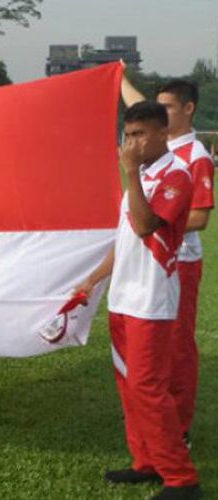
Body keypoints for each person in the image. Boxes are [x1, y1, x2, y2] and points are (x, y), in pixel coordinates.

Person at [75, 101, 200, 499]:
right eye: (128, 135)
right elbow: (125, 239)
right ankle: (146, 461)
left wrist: (129, 171)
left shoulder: (176, 176)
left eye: (141, 134)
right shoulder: (142, 175)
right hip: (123, 297)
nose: (132, 143)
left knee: (148, 386)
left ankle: (181, 479)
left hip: (151, 301)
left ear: (163, 133)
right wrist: (94, 279)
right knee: (129, 385)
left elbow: (146, 226)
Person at [122, 73, 214, 445]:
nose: (160, 112)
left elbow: (201, 217)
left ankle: (180, 426)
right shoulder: (160, 145)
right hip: (146, 259)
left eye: (168, 107)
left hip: (179, 261)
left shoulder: (196, 156)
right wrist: (118, 76)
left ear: (188, 109)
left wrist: (163, 220)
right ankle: (155, 420)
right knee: (152, 348)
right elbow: (138, 107)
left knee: (177, 346)